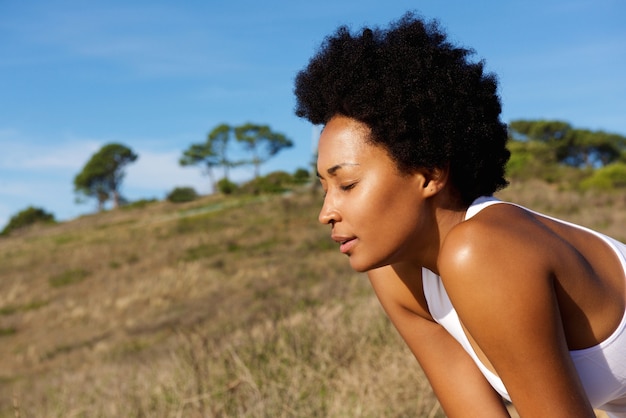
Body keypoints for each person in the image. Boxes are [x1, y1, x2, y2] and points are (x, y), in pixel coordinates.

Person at [293, 12, 626, 418]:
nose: (326, 213)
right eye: (324, 188)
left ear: (429, 174)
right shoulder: (394, 274)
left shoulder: (484, 248)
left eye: (346, 184)